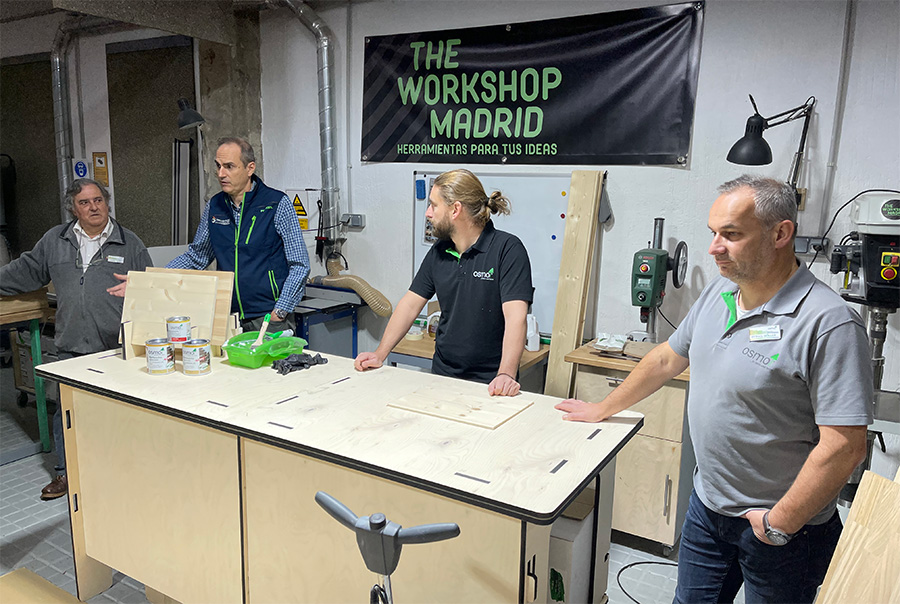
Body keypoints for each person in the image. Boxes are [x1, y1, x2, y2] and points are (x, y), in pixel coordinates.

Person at [555, 175, 873, 603]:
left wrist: (780, 522)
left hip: (783, 532)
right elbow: (666, 358)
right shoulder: (720, 292)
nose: (714, 248)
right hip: (708, 509)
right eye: (713, 233)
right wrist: (602, 408)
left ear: (781, 234)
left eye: (732, 234)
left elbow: (845, 446)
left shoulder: (829, 323)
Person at [0, 178, 152, 500]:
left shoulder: (130, 243)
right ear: (73, 208)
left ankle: (118, 472)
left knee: (116, 414)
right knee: (67, 414)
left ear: (107, 203)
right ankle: (65, 473)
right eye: (85, 202)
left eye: (99, 200)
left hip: (115, 347)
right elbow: (24, 272)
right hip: (71, 346)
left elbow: (150, 290)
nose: (94, 207)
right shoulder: (56, 241)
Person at [354, 169, 532, 396]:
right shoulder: (439, 250)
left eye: (433, 205)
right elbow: (410, 305)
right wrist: (380, 353)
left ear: (455, 209)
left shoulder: (507, 249)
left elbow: (516, 318)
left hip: (491, 381)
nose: (428, 213)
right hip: (442, 374)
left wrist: (506, 374)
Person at [167, 137, 310, 333]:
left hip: (267, 318)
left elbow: (300, 264)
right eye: (218, 166)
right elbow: (197, 257)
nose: (221, 174)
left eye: (229, 166)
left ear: (250, 168)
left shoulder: (276, 204)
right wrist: (153, 278)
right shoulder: (215, 206)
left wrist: (280, 311)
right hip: (228, 316)